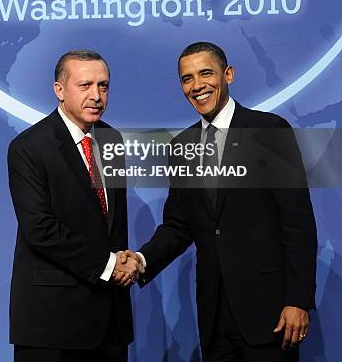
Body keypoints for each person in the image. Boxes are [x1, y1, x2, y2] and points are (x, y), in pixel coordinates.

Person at [122, 41, 317, 361]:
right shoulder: (182, 146)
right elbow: (178, 225)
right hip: (214, 317)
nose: (197, 86)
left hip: (271, 314)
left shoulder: (268, 130)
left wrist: (298, 300)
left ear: (228, 74)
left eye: (205, 74)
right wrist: (141, 261)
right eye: (187, 78)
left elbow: (297, 221)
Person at [7, 50, 140, 362]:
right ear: (59, 90)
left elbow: (110, 223)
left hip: (110, 322)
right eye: (85, 86)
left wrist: (124, 263)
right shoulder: (29, 147)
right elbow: (40, 229)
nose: (96, 95)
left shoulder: (111, 139)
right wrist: (109, 265)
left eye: (103, 86)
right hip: (53, 326)